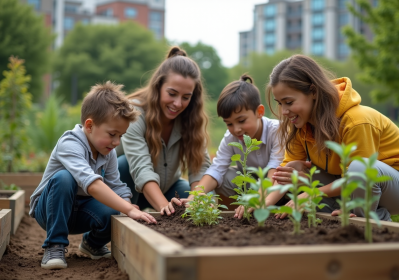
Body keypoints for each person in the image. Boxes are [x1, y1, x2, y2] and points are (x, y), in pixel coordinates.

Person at [265, 54, 399, 221]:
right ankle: (341, 210)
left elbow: (360, 175)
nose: (284, 111)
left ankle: (369, 219)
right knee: (294, 171)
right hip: (346, 179)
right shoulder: (299, 124)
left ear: (314, 92)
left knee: (359, 168)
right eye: (280, 103)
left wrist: (311, 194)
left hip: (398, 186)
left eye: (288, 102)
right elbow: (284, 173)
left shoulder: (356, 121)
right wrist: (261, 204)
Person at [29, 81, 156, 270]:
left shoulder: (108, 152)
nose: (116, 142)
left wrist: (127, 205)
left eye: (120, 136)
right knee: (64, 178)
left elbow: (116, 184)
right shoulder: (70, 143)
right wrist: (128, 209)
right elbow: (93, 185)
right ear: (89, 125)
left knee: (114, 210)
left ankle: (92, 244)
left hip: (80, 210)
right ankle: (54, 245)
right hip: (49, 209)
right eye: (112, 134)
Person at [117, 46, 211, 216]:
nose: (177, 103)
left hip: (169, 188)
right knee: (123, 164)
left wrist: (195, 199)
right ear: (158, 86)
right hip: (128, 188)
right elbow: (141, 169)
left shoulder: (191, 118)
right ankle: (93, 241)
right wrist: (164, 207)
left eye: (186, 97)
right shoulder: (135, 113)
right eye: (172, 93)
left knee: (207, 193)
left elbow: (200, 168)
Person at [181, 74, 284, 218]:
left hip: (278, 190)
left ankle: (262, 209)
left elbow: (275, 173)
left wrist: (255, 200)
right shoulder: (231, 138)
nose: (236, 129)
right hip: (250, 187)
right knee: (224, 177)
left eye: (241, 120)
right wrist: (195, 196)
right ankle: (234, 216)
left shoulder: (277, 131)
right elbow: (217, 169)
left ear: (259, 112)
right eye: (229, 123)